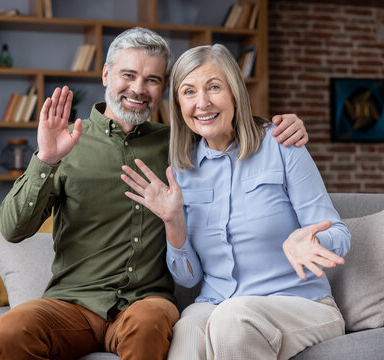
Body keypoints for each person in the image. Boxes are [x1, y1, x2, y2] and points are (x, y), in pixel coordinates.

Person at [0, 27, 309, 360]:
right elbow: (13, 230)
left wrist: (282, 128)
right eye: (128, 75)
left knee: (148, 322)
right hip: (74, 304)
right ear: (105, 74)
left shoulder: (181, 143)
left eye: (153, 80)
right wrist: (46, 159)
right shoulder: (66, 144)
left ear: (163, 89)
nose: (139, 89)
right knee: (12, 330)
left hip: (146, 304)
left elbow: (225, 123)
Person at [120, 43, 351, 360]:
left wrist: (313, 240)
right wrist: (173, 222)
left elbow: (339, 233)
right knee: (187, 331)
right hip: (217, 301)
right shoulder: (182, 170)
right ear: (177, 103)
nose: (202, 103)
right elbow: (189, 278)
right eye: (189, 92)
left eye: (214, 87)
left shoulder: (281, 144)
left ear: (234, 93)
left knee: (233, 318)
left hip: (300, 303)